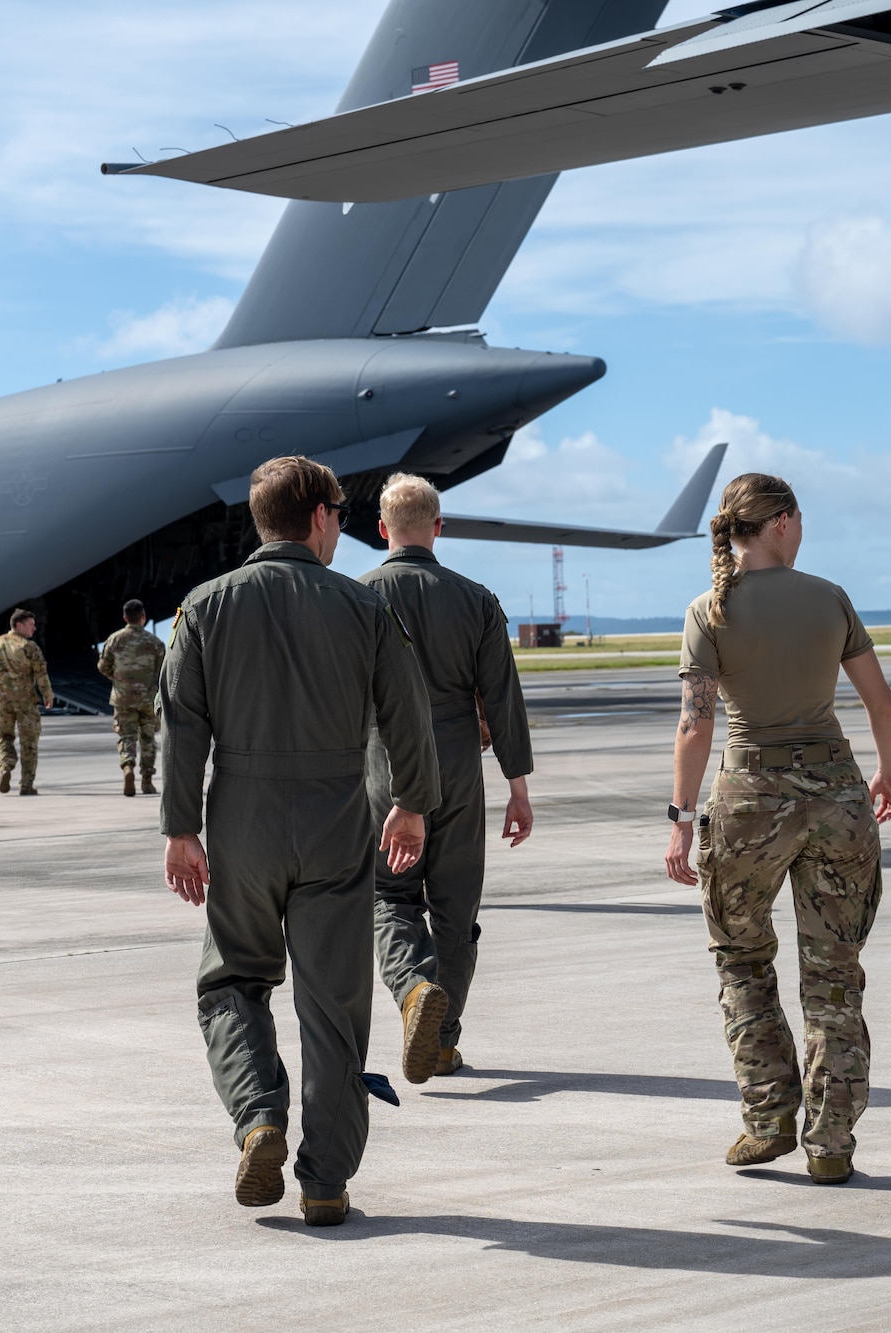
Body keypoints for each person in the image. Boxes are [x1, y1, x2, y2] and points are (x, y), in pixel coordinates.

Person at [160, 455, 439, 1228]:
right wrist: (411, 805)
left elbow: (181, 726)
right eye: (340, 516)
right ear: (317, 516)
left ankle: (257, 1119)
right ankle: (325, 1182)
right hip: (335, 817)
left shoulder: (206, 606)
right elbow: (407, 715)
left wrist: (180, 828)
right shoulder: (362, 609)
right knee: (334, 1006)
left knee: (232, 983)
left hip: (241, 821)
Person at [663, 473, 891, 1187]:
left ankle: (768, 1119)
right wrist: (887, 771)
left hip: (747, 799)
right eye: (799, 519)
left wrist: (680, 818)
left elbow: (695, 723)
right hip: (836, 792)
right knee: (834, 974)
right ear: (781, 523)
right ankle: (830, 1139)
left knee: (742, 960)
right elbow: (881, 701)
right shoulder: (829, 598)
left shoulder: (709, 609)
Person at [359, 474, 534, 1083]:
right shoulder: (477, 600)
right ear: (439, 526)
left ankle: (411, 991)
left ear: (381, 529)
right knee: (456, 911)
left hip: (385, 766)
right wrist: (517, 784)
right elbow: (503, 697)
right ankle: (440, 1040)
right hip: (459, 761)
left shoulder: (357, 596)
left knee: (388, 897)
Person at [98, 599, 167, 797]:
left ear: (125, 617)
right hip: (147, 698)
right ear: (143, 618)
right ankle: (147, 781)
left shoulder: (114, 639)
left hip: (122, 698)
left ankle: (127, 766)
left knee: (126, 736)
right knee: (148, 739)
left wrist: (119, 679)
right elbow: (163, 670)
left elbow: (103, 666)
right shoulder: (154, 642)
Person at [0, 608, 54, 795]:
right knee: (29, 742)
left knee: (4, 736)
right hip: (26, 703)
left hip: (4, 703)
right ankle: (26, 785)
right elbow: (41, 673)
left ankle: (6, 767)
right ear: (19, 625)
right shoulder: (29, 647)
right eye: (31, 625)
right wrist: (47, 695)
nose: (35, 628)